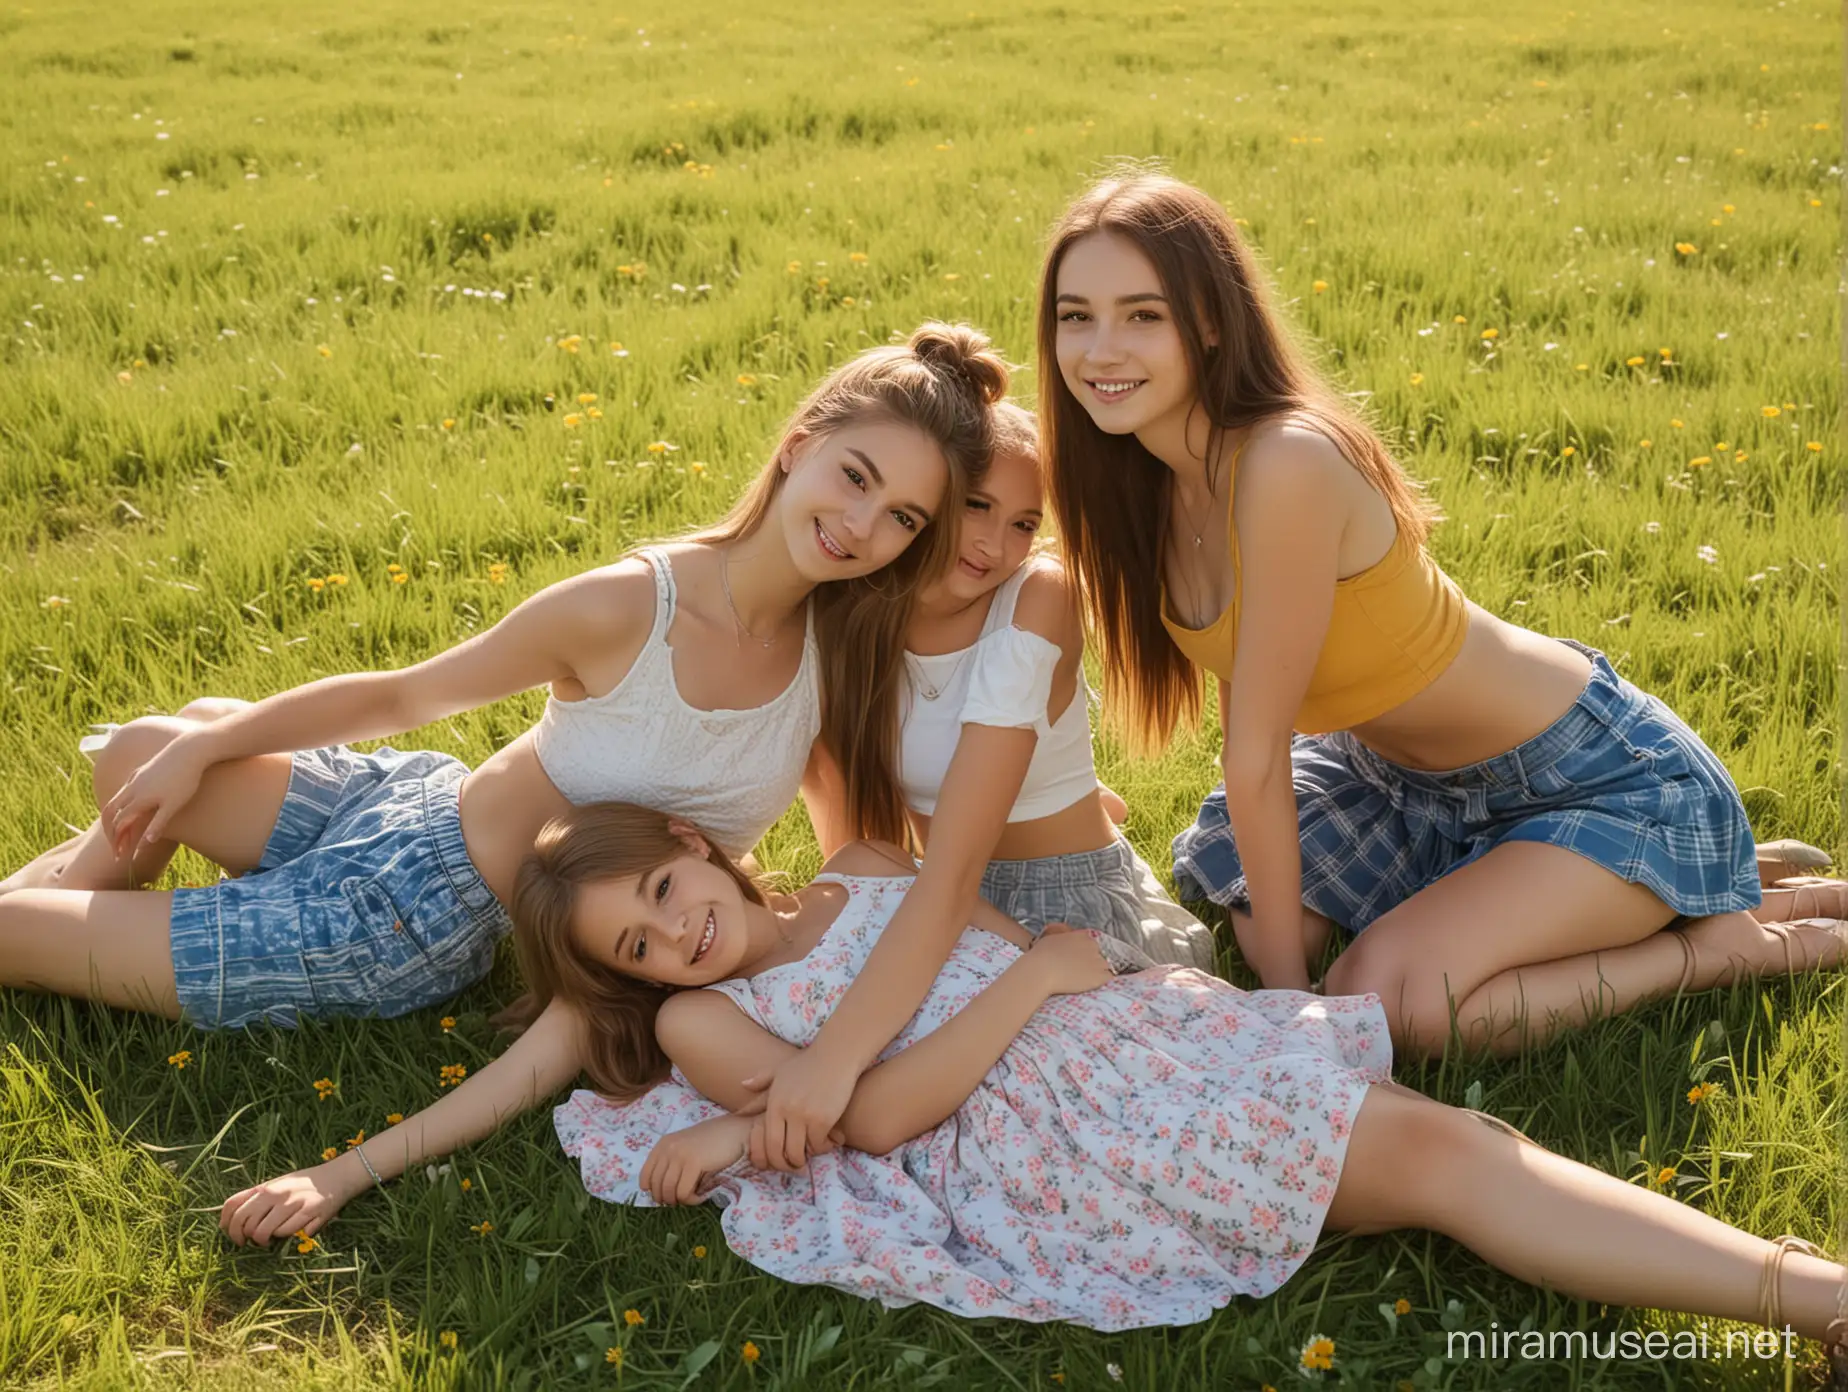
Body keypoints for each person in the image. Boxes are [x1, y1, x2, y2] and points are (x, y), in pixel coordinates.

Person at [220, 802, 1846, 1351]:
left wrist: (1105, 980)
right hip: (1049, 1125)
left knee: (1449, 1131)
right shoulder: (719, 1028)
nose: (678, 939)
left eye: (664, 895)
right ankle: (1807, 1292)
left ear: (699, 846)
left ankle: (1719, 936)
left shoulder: (859, 862)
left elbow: (997, 940)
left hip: (1126, 1045)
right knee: (1452, 1159)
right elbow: (874, 1111)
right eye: (640, 954)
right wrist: (344, 1175)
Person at [1036, 169, 1846, 1056]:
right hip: (1397, 781)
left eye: (1142, 315)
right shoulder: (1144, 487)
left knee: (1389, 1003)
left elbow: (1257, 748)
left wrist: (1292, 1019)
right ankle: (1695, 893)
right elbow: (1245, 703)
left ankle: (1718, 946)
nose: (1101, 349)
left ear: (1214, 322)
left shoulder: (1285, 465)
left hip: (1591, 781)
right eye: (1077, 316)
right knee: (1251, 901)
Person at [0, 322, 1008, 1032]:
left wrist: (834, 954)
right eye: (856, 478)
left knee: (30, 904)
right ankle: (60, 915)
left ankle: (40, 922)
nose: (862, 528)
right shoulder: (629, 606)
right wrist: (214, 744)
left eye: (904, 519)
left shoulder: (833, 653)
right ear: (798, 448)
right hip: (409, 807)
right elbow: (406, 693)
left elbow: (843, 830)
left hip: (403, 927)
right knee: (149, 754)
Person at [805, 400, 1216, 975]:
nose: (996, 547)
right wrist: (853, 924)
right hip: (940, 892)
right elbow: (846, 826)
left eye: (1025, 524)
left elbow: (953, 875)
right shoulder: (848, 614)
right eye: (977, 506)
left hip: (1063, 905)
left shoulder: (1037, 598)